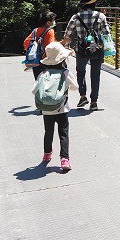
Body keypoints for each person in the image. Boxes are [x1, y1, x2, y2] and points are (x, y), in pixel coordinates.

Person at [34, 42, 79, 171]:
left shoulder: (43, 74)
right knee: (63, 133)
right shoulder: (65, 73)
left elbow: (34, 90)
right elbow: (75, 87)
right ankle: (64, 159)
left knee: (48, 132)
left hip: (46, 111)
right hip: (62, 109)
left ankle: (47, 154)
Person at [62, 0, 111, 111]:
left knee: (80, 71)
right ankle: (94, 102)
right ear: (93, 4)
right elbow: (107, 33)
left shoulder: (76, 17)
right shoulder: (101, 16)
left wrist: (66, 48)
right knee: (95, 75)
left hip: (81, 49)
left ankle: (83, 96)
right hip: (97, 48)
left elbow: (67, 34)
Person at [23, 10, 57, 79]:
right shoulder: (50, 31)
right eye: (53, 20)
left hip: (35, 60)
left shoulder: (35, 30)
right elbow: (50, 46)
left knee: (38, 81)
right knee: (48, 82)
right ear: (48, 22)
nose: (54, 22)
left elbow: (26, 42)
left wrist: (33, 51)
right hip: (46, 61)